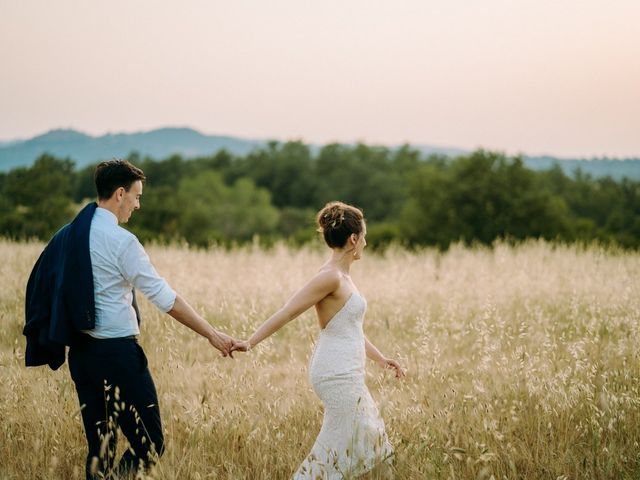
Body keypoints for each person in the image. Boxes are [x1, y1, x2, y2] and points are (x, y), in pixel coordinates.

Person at [24, 159, 238, 479]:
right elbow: (167, 300)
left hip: (81, 356)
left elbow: (40, 282)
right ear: (120, 194)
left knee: (101, 449)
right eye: (137, 197)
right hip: (118, 357)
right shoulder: (123, 242)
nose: (137, 205)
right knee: (150, 444)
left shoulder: (67, 235)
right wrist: (212, 334)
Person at [232, 201, 405, 479]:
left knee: (371, 441)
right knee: (349, 445)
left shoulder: (344, 277)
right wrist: (250, 342)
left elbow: (351, 330)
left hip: (349, 370)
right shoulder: (330, 277)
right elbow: (288, 311)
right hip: (335, 373)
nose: (366, 242)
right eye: (364, 236)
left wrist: (381, 359)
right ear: (353, 239)